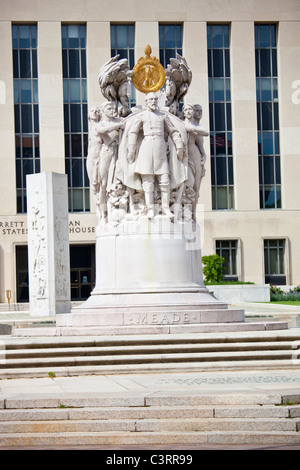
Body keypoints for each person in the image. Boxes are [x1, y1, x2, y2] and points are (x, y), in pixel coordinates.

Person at [125, 92, 184, 219]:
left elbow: (173, 131)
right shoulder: (142, 116)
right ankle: (150, 208)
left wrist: (179, 145)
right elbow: (133, 132)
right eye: (150, 99)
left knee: (164, 180)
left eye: (155, 99)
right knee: (148, 180)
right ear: (146, 102)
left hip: (160, 148)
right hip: (146, 147)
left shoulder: (162, 116)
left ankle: (165, 208)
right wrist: (131, 149)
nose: (153, 101)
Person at [87, 101, 124, 222]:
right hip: (105, 154)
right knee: (102, 184)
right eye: (108, 108)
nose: (111, 110)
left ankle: (115, 208)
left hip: (117, 155)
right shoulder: (99, 125)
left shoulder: (118, 121)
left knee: (116, 182)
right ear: (104, 111)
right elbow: (103, 131)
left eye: (112, 108)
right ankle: (103, 213)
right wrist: (119, 125)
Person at [182, 103, 209, 220]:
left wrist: (204, 154)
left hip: (194, 154)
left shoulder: (195, 126)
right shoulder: (181, 123)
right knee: (188, 184)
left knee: (196, 186)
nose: (188, 111)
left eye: (190, 109)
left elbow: (205, 133)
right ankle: (186, 213)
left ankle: (193, 214)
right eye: (186, 109)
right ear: (183, 112)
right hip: (183, 156)